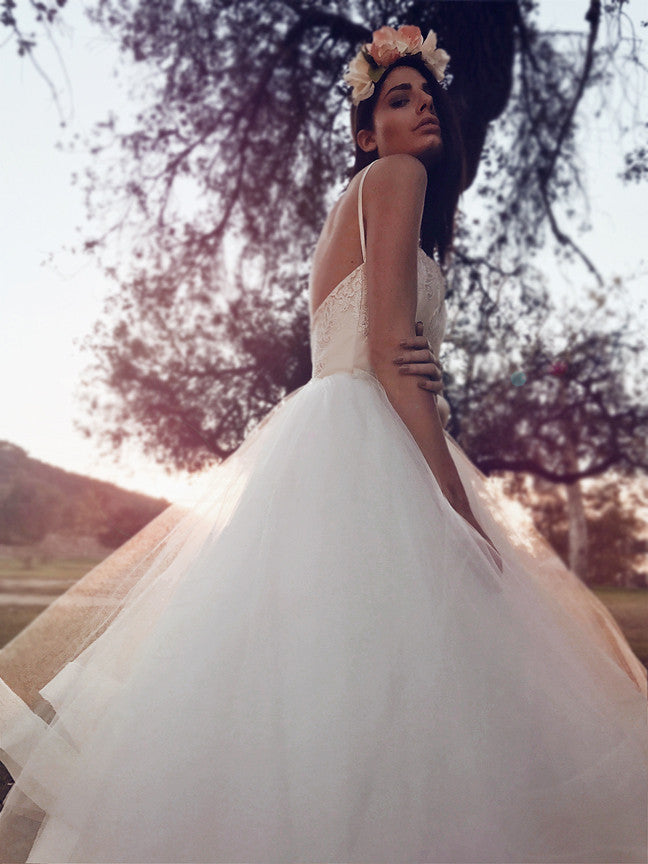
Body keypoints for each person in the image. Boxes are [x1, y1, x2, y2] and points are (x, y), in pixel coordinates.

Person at [0, 24, 646, 864]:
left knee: (317, 689)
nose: (420, 110)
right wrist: (459, 510)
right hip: (372, 436)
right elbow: (387, 352)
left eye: (426, 96)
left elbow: (380, 347)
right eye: (395, 98)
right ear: (363, 130)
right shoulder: (396, 176)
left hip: (332, 440)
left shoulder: (367, 199)